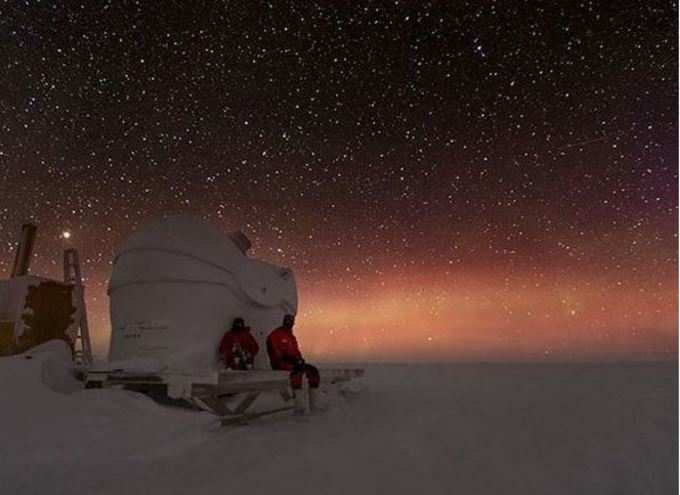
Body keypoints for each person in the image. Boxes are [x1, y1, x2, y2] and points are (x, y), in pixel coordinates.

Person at [266, 314, 322, 414]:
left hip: (294, 363)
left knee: (313, 371)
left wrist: (300, 360)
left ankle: (315, 405)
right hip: (281, 363)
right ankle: (299, 407)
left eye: (291, 321)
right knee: (297, 372)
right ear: (284, 321)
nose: (289, 323)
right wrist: (288, 359)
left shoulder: (291, 336)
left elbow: (296, 352)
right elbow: (274, 352)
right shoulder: (275, 335)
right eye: (287, 321)